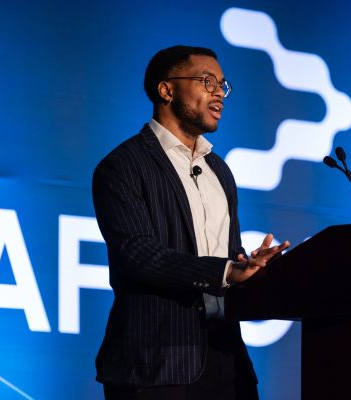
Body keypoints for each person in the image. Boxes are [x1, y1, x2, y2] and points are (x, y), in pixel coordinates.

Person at [92, 45, 289, 400]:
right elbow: (138, 255)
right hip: (157, 362)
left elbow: (227, 254)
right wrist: (226, 271)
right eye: (207, 81)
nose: (219, 93)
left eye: (223, 85)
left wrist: (249, 266)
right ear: (166, 90)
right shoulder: (123, 165)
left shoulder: (219, 170)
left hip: (226, 359)